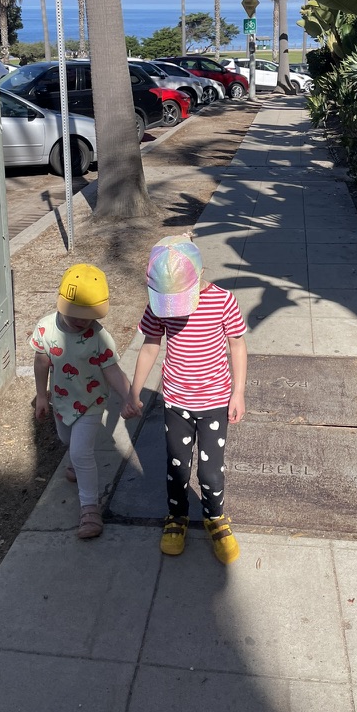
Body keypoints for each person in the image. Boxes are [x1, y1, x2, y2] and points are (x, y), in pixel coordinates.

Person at [122, 234, 248, 564]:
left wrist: (238, 392)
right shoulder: (159, 303)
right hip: (176, 402)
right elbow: (150, 345)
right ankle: (176, 516)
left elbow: (237, 345)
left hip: (215, 403)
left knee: (210, 472)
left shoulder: (222, 301)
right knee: (177, 468)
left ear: (200, 273)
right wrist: (134, 391)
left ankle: (215, 517)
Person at [31, 263, 131, 540]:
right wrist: (42, 395)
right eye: (77, 314)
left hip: (91, 401)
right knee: (66, 439)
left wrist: (129, 396)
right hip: (61, 401)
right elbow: (41, 362)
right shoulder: (45, 329)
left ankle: (89, 507)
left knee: (80, 452)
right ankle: (74, 463)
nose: (83, 321)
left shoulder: (99, 337)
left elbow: (111, 369)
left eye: (89, 316)